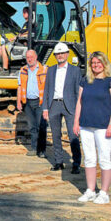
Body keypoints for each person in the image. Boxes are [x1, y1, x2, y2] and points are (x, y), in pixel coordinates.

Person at [73, 51, 111, 204]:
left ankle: (104, 193)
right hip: (86, 125)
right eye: (93, 63)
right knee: (89, 159)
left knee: (104, 159)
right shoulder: (85, 80)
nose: (96, 65)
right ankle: (90, 190)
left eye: (98, 62)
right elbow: (79, 102)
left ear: (104, 63)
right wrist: (76, 122)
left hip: (103, 126)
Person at [42, 42, 82, 174]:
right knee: (56, 135)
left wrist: (78, 109)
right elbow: (47, 89)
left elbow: (78, 92)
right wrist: (45, 108)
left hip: (70, 105)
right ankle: (58, 162)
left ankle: (76, 163)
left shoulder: (75, 71)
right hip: (54, 104)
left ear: (67, 54)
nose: (60, 55)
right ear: (54, 55)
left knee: (73, 135)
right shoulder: (51, 70)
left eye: (62, 53)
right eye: (57, 54)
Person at [16, 49, 48, 157]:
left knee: (41, 127)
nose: (29, 59)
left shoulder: (44, 69)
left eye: (31, 57)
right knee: (32, 127)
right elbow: (19, 87)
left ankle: (42, 150)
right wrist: (18, 101)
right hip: (28, 103)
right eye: (28, 57)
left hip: (40, 102)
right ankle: (34, 148)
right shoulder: (23, 70)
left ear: (36, 57)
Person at [0, 6, 30, 71]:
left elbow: (28, 34)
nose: (23, 13)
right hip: (20, 41)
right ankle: (4, 65)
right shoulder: (25, 23)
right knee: (0, 47)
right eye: (23, 12)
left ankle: (5, 69)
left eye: (25, 12)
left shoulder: (30, 23)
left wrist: (19, 36)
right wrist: (13, 38)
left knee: (4, 47)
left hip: (24, 43)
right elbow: (21, 33)